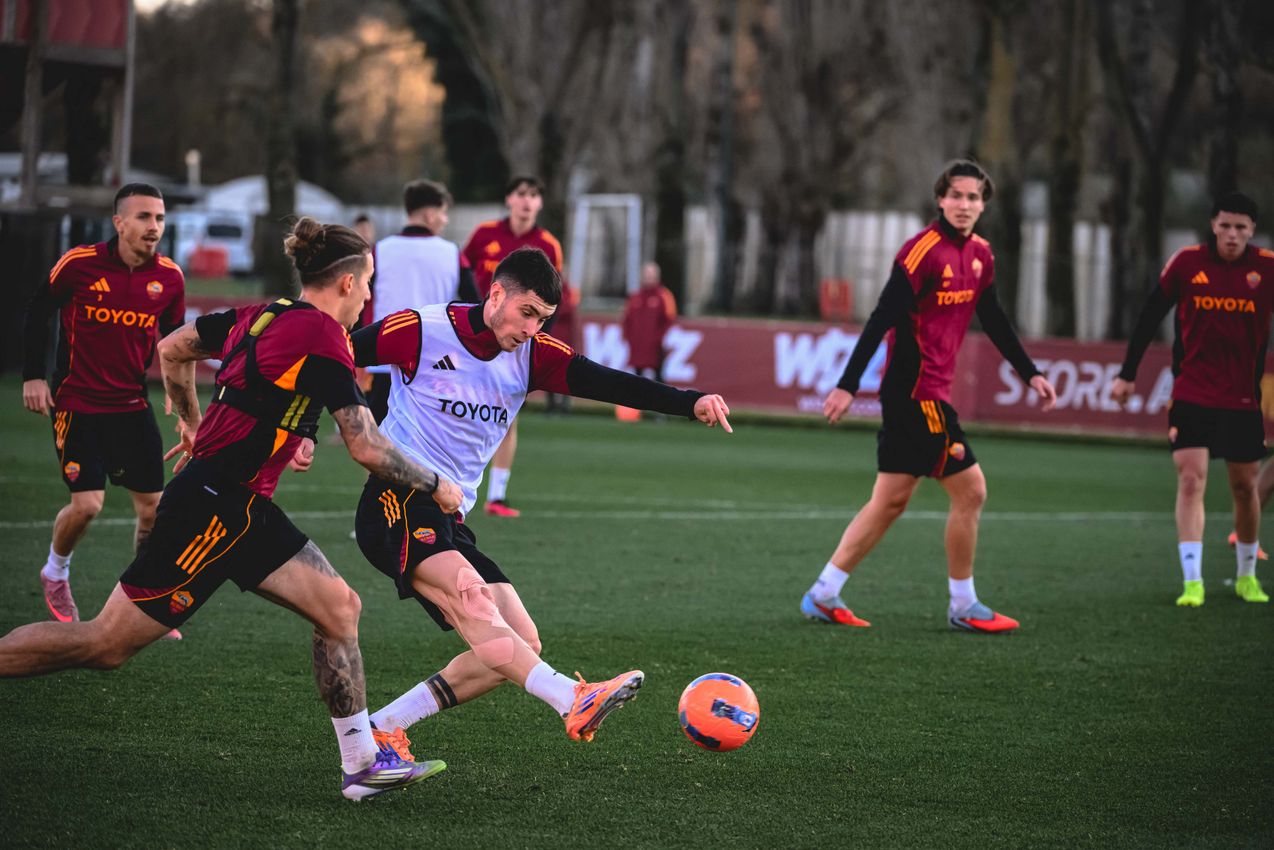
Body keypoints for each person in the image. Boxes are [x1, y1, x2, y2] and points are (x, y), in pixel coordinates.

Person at [0, 217, 465, 801]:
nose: (369, 295)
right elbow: (366, 445)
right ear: (347, 283)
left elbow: (173, 350)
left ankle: (362, 765)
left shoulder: (263, 314)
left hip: (240, 507)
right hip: (213, 509)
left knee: (340, 608)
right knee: (105, 644)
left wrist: (197, 423)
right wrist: (436, 485)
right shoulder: (325, 336)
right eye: (368, 282)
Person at [348, 246, 732, 754]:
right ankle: (572, 697)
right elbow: (335, 356)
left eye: (543, 319)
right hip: (396, 497)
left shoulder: (534, 355)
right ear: (496, 294)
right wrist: (304, 428)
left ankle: (382, 726)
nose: (532, 328)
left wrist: (690, 401)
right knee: (472, 598)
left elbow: (609, 383)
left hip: (449, 515)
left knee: (521, 642)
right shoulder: (422, 329)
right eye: (527, 312)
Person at [799, 159, 1058, 633]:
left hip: (923, 394)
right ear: (940, 199)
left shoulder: (981, 255)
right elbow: (881, 318)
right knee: (972, 490)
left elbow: (993, 318)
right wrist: (848, 384)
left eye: (973, 197)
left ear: (984, 205)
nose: (964, 204)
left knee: (890, 500)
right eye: (956, 195)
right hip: (917, 394)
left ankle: (823, 592)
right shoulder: (922, 252)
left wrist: (1030, 372)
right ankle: (963, 605)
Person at [21, 183, 186, 639]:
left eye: (160, 218)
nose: (154, 226)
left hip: (131, 406)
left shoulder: (169, 277)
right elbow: (38, 310)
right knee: (88, 504)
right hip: (77, 404)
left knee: (153, 510)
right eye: (144, 217)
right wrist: (33, 376)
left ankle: (143, 604)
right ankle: (55, 571)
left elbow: (177, 342)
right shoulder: (79, 263)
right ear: (119, 222)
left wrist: (179, 398)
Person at [1110, 192, 1274, 606]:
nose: (1232, 234)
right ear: (1213, 225)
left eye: (1240, 227)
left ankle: (1247, 576)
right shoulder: (1187, 263)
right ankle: (1192, 581)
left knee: (1245, 487)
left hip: (1242, 399)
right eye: (1225, 225)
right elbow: (1151, 314)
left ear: (1252, 230)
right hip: (1191, 392)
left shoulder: (1267, 269)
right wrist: (1127, 373)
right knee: (1190, 479)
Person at [461, 175, 565, 517]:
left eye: (534, 195)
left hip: (515, 342)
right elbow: (461, 278)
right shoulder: (484, 234)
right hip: (475, 339)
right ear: (509, 199)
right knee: (461, 408)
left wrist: (533, 338)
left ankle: (497, 496)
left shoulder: (548, 245)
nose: (527, 201)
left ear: (540, 203)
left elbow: (553, 301)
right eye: (521, 193)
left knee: (506, 416)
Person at [362, 179, 475, 422]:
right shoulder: (452, 254)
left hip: (384, 360)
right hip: (435, 365)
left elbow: (360, 302)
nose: (445, 220)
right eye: (443, 213)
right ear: (430, 214)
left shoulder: (379, 251)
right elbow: (474, 305)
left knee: (377, 437)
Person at [622, 261, 678, 383]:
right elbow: (627, 320)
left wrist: (659, 339)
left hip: (656, 348)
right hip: (637, 346)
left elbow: (669, 319)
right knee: (637, 378)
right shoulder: (635, 297)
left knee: (659, 379)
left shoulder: (664, 296)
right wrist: (629, 338)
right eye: (646, 274)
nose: (649, 277)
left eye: (651, 274)